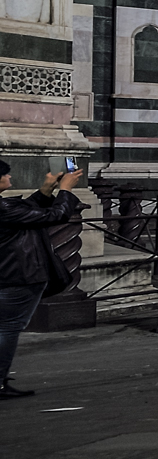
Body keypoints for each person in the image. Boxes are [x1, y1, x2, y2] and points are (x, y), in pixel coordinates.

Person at [0, 161, 85, 398]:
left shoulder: (6, 207)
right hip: (17, 276)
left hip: (9, 275)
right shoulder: (4, 208)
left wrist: (47, 189)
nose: (9, 176)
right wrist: (66, 190)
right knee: (8, 328)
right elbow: (56, 215)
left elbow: (26, 211)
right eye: (5, 174)